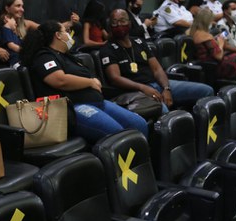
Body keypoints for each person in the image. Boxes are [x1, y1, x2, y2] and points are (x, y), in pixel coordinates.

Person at [20, 20, 148, 143]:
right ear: (58, 35)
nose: (69, 35)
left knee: (140, 124)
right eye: (66, 31)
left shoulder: (67, 56)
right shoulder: (44, 56)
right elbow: (59, 80)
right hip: (74, 107)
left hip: (98, 102)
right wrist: (90, 82)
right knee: (119, 135)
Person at [100, 9, 213, 112]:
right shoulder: (108, 49)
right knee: (163, 110)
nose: (119, 25)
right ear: (110, 26)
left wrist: (166, 88)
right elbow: (115, 78)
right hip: (136, 91)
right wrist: (142, 87)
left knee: (207, 91)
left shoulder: (139, 42)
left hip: (157, 84)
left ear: (129, 23)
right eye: (114, 22)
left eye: (122, 20)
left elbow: (157, 69)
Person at [191, 8, 236, 80]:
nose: (213, 23)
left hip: (208, 63)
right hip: (214, 66)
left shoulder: (193, 32)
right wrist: (221, 43)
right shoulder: (205, 36)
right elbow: (218, 56)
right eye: (211, 20)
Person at [3, 0, 79, 40]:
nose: (22, 9)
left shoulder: (25, 24)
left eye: (22, 6)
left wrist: (70, 23)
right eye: (18, 6)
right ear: (7, 8)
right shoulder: (0, 23)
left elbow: (47, 28)